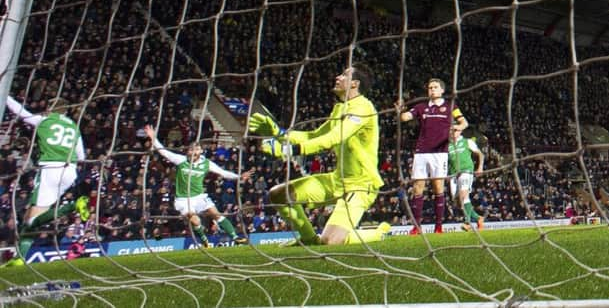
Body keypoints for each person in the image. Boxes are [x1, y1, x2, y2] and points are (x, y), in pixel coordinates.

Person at [249, 63, 390, 246]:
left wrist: (289, 151)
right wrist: (280, 134)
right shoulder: (340, 108)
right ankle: (308, 238)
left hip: (360, 185)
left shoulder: (363, 108)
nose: (337, 77)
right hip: (337, 180)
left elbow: (334, 138)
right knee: (279, 194)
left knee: (330, 241)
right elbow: (315, 136)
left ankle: (378, 233)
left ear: (354, 84)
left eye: (343, 75)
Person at [3, 96, 89, 266]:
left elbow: (21, 113)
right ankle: (19, 257)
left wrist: (5, 95)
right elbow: (82, 156)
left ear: (51, 108)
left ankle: (73, 205)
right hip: (69, 171)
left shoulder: (45, 120)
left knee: (32, 220)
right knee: (30, 217)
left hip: (50, 170)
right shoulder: (74, 127)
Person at [143, 125, 252, 247]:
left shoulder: (206, 163)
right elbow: (164, 152)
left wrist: (239, 177)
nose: (194, 152)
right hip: (183, 199)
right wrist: (153, 138)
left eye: (197, 149)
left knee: (216, 214)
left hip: (199, 196)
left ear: (200, 152)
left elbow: (223, 173)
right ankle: (204, 240)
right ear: (188, 152)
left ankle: (235, 237)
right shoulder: (181, 160)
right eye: (192, 150)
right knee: (196, 220)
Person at [395, 78, 468, 234]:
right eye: (429, 88)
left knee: (438, 187)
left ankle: (439, 226)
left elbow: (464, 123)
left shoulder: (450, 107)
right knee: (417, 188)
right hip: (421, 152)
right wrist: (401, 110)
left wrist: (456, 128)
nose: (432, 90)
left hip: (440, 153)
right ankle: (416, 226)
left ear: (442, 90)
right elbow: (405, 117)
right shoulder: (421, 107)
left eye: (435, 87)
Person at [448, 127, 484, 231]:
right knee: (458, 202)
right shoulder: (448, 145)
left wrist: (480, 167)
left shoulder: (467, 141)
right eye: (452, 130)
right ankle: (478, 218)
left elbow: (480, 154)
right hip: (453, 174)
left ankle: (467, 222)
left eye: (456, 130)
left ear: (460, 131)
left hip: (466, 171)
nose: (454, 132)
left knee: (463, 195)